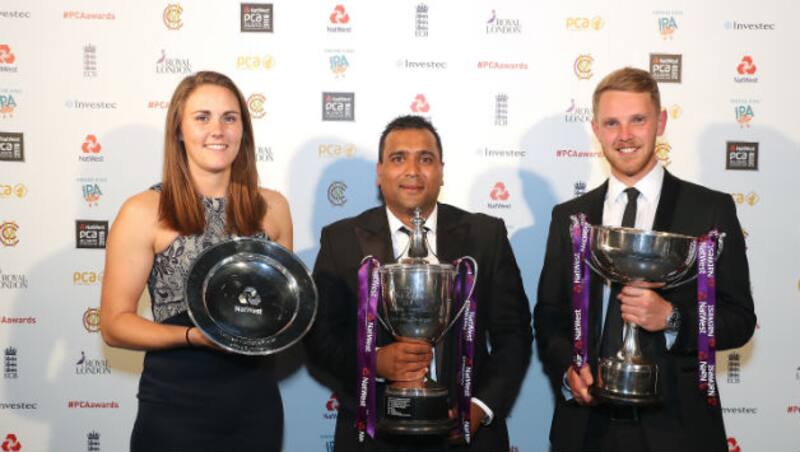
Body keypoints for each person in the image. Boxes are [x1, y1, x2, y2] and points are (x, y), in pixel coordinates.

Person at [534, 67, 756, 452]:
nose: (624, 135)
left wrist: (671, 320)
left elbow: (739, 320)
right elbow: (549, 314)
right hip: (586, 429)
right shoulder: (570, 217)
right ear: (596, 129)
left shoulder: (710, 211)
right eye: (612, 123)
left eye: (638, 120)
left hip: (678, 429)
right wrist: (568, 369)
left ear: (661, 122)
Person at [305, 115, 533, 452]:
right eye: (399, 158)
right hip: (373, 435)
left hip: (466, 434)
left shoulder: (487, 236)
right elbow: (320, 339)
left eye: (425, 159)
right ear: (379, 173)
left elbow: (513, 333)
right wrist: (375, 361)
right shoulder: (341, 240)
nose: (413, 170)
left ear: (441, 171)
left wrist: (480, 406)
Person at [99, 71, 292, 452]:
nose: (217, 130)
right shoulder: (144, 211)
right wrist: (193, 337)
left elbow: (282, 313)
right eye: (202, 117)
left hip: (254, 402)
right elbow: (114, 325)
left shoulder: (273, 208)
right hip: (175, 404)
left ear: (243, 130)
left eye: (229, 118)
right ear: (179, 131)